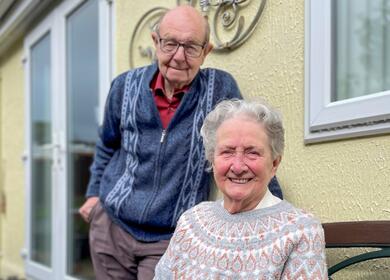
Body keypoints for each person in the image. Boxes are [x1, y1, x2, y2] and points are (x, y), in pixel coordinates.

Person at [79, 5, 283, 280]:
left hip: (171, 238)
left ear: (206, 51)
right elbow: (107, 145)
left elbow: (245, 146)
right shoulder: (123, 86)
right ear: (155, 42)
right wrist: (94, 196)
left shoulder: (220, 89)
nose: (178, 56)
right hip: (112, 227)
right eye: (170, 43)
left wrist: (274, 210)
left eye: (190, 47)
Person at [154, 99, 328, 279]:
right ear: (212, 159)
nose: (237, 167)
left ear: (274, 163)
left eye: (252, 152)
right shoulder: (190, 222)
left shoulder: (300, 230)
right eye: (227, 151)